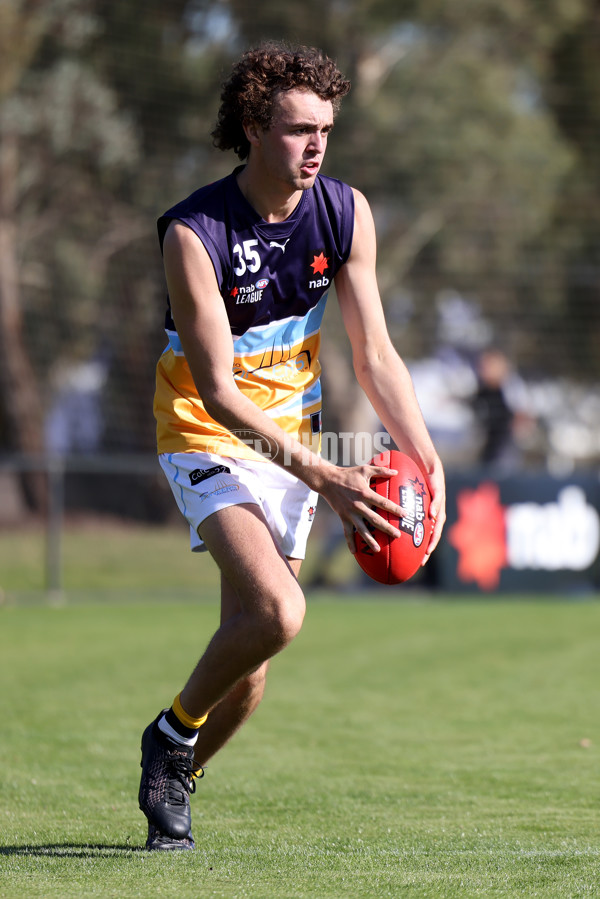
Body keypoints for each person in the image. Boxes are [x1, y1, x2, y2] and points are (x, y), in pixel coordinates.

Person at [139, 41, 446, 851]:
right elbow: (218, 390)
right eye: (297, 129)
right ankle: (168, 739)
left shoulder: (344, 212)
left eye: (326, 130)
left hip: (297, 442)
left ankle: (175, 772)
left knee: (253, 670)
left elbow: (374, 352)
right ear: (251, 125)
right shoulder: (195, 234)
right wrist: (329, 475)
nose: (315, 146)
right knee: (281, 610)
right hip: (208, 432)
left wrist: (425, 451)